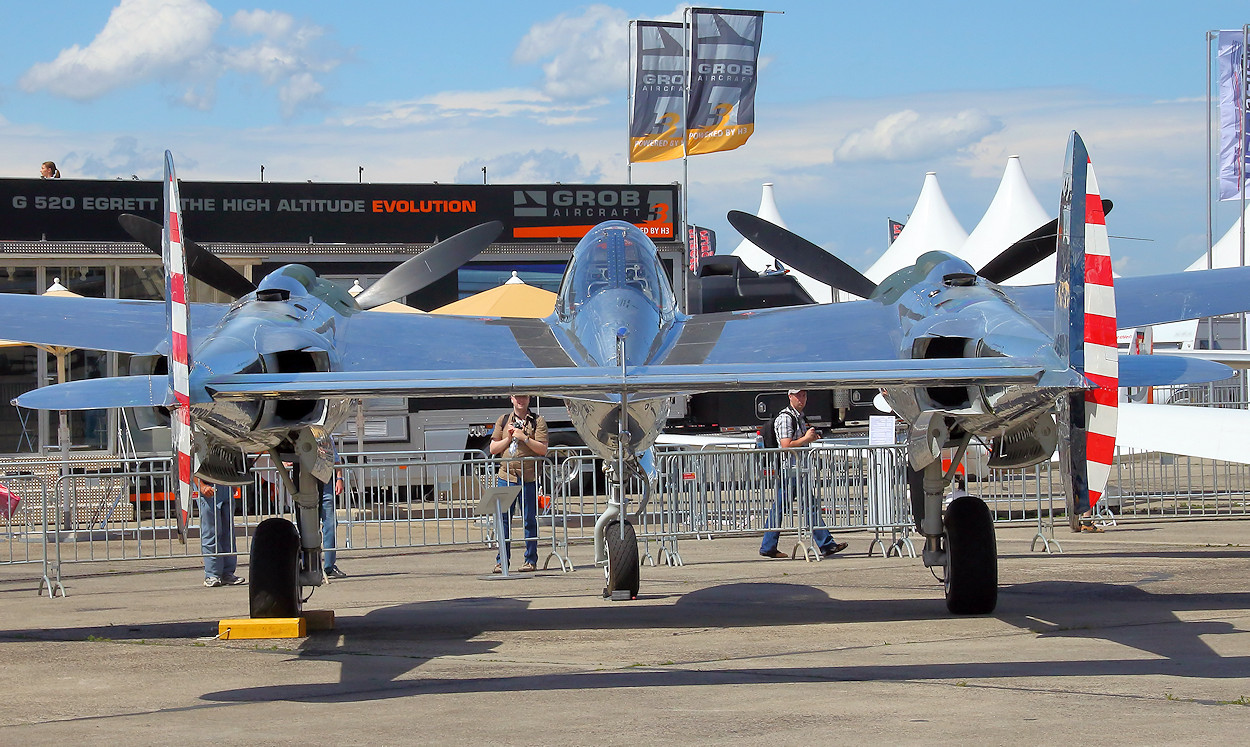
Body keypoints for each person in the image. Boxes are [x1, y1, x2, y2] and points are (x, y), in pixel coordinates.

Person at [759, 389, 849, 559]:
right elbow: (785, 445)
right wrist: (806, 439)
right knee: (799, 507)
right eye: (798, 395)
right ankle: (825, 544)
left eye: (804, 395)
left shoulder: (798, 416)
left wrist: (810, 438)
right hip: (790, 470)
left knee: (795, 507)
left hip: (797, 470)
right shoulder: (786, 418)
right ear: (790, 396)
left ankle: (769, 545)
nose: (801, 398)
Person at [488, 394, 548, 573]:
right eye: (517, 397)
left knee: (529, 520)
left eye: (524, 397)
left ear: (529, 399)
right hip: (506, 477)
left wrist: (524, 438)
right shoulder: (503, 420)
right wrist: (508, 438)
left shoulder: (538, 421)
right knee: (503, 520)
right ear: (511, 399)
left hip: (528, 477)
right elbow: (493, 449)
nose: (520, 401)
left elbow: (543, 449)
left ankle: (530, 560)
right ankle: (502, 561)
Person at [197, 477, 245, 587]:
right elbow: (191, 467)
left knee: (228, 532)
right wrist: (201, 486)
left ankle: (227, 573)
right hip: (208, 486)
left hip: (225, 484)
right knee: (211, 531)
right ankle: (212, 574)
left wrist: (233, 482)